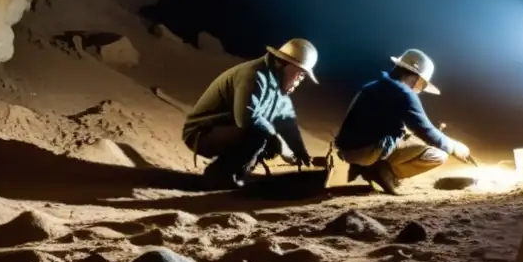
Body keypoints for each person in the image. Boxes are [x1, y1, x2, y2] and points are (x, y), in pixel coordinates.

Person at [182, 38, 318, 188]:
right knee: (259, 136)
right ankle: (218, 175)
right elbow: (245, 118)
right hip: (201, 133)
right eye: (299, 75)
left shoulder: (277, 87)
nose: (299, 82)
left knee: (269, 142)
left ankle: (238, 172)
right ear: (284, 64)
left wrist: (300, 153)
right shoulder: (254, 76)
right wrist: (276, 139)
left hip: (225, 130)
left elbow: (288, 123)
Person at [335, 48, 473, 195]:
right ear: (417, 79)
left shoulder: (371, 87)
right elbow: (426, 131)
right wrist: (454, 147)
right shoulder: (404, 93)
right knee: (439, 154)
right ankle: (386, 173)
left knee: (405, 134)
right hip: (367, 153)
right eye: (423, 84)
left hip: (347, 152)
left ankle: (368, 167)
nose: (421, 89)